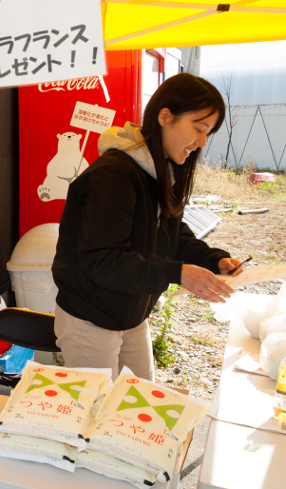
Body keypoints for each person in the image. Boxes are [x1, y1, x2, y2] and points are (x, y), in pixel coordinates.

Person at [51, 73, 243, 381]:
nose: (202, 142)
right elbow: (103, 258)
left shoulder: (160, 169)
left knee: (137, 404)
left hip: (132, 312)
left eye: (208, 133)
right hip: (90, 318)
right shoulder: (114, 176)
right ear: (165, 116)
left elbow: (171, 234)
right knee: (97, 415)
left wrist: (211, 259)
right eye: (199, 128)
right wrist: (177, 273)